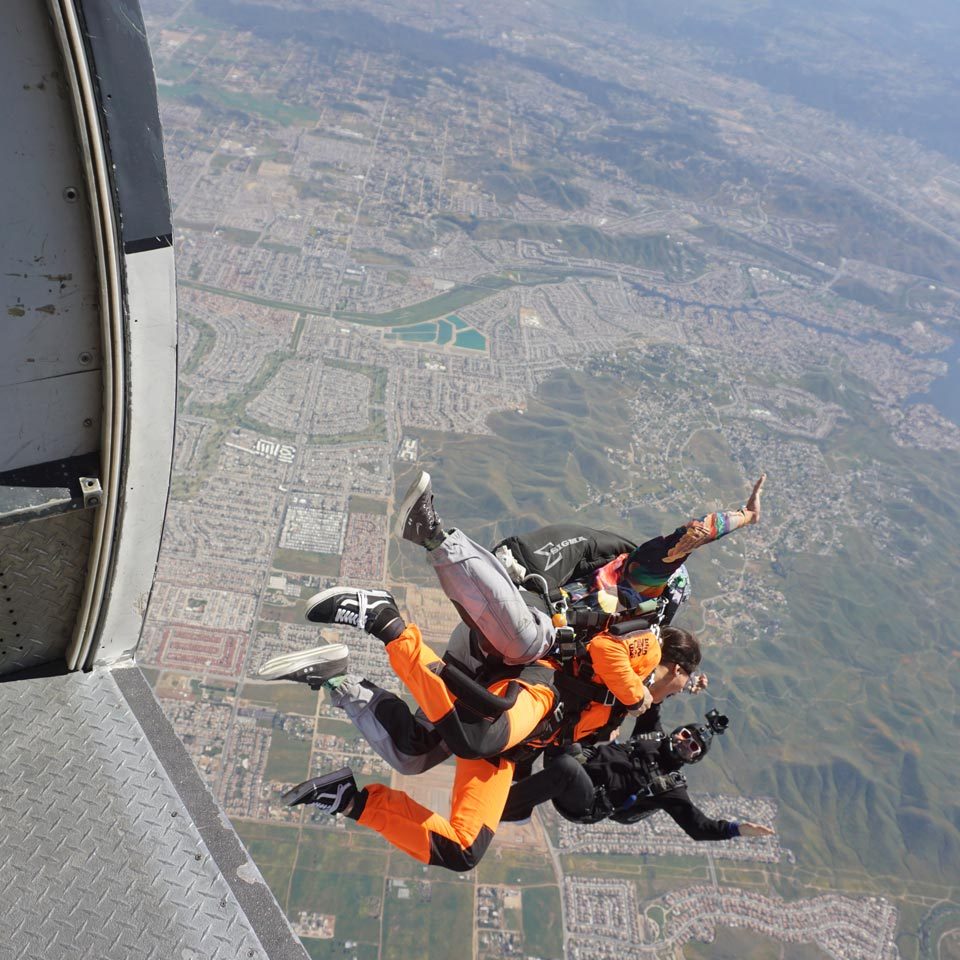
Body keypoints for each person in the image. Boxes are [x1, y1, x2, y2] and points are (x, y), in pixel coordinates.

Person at [264, 589, 700, 872]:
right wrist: (635, 695)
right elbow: (606, 649)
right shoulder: (649, 650)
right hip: (540, 690)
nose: (678, 693)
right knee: (470, 738)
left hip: (515, 749)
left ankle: (350, 800)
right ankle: (386, 622)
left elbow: (581, 743)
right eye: (683, 683)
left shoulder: (627, 708)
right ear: (678, 668)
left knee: (463, 851)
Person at [500, 703, 775, 841]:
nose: (684, 743)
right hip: (579, 765)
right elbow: (652, 699)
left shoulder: (670, 787)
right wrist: (683, 678)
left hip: (587, 802)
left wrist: (738, 830)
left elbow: (698, 826)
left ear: (693, 759)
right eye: (685, 734)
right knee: (563, 720)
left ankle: (503, 809)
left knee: (566, 768)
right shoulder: (652, 735)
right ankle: (511, 765)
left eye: (693, 747)